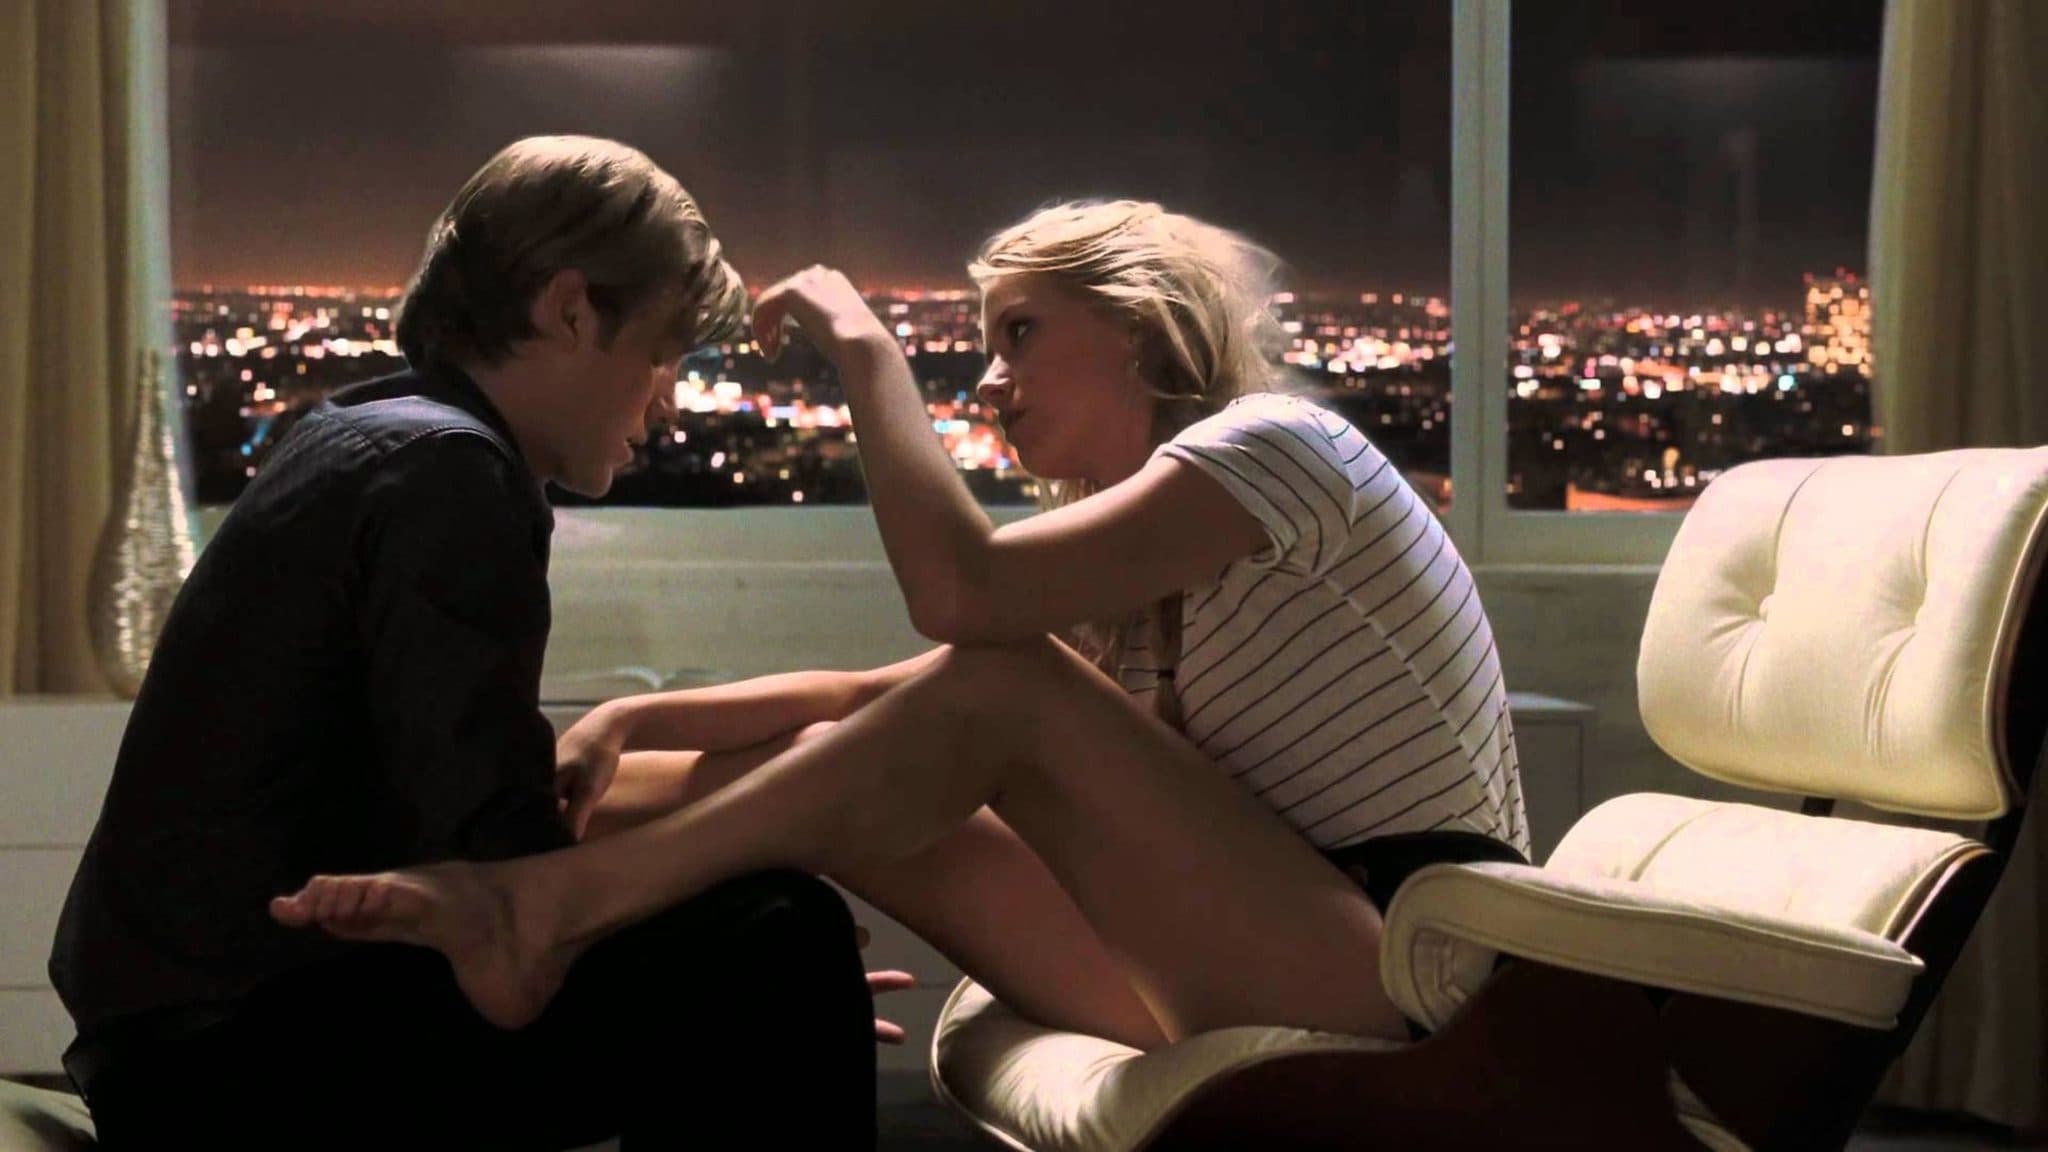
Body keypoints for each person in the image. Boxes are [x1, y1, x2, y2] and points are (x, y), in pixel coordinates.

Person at [271, 199, 1531, 1057]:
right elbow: (887, 701)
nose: (986, 379)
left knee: (1000, 685)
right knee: (771, 766)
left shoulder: (1281, 447)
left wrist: (870, 353)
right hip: (1240, 943)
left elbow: (963, 602)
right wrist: (628, 720)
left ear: (1141, 326)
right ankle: (370, 901)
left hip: (1398, 964)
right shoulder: (1136, 569)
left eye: (1018, 334)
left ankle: (548, 910)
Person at [49, 136, 887, 1149]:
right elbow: (494, 850)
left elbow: (446, 812)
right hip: (240, 1057)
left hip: (181, 1034)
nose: (666, 400)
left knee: (756, 949)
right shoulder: (451, 473)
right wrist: (750, 976)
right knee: (782, 937)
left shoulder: (367, 432)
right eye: (661, 352)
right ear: (571, 310)